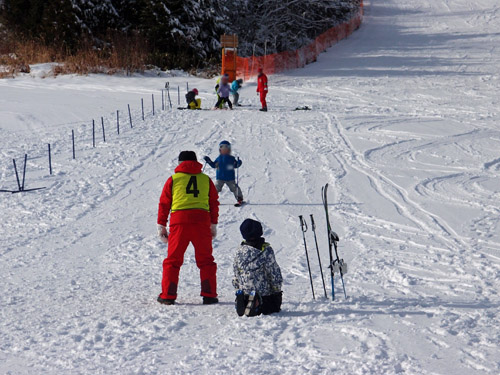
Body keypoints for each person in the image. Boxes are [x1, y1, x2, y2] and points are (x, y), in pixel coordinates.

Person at [157, 151, 220, 305]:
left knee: (173, 260)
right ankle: (209, 294)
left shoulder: (173, 179)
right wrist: (213, 224)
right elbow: (213, 203)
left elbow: (164, 204)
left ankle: (168, 296)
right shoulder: (206, 179)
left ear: (180, 162)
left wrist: (161, 226)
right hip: (202, 222)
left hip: (179, 222)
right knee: (206, 260)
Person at [233, 219, 283, 317]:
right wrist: (277, 290)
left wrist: (237, 287)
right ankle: (257, 303)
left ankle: (243, 300)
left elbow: (236, 272)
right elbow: (273, 272)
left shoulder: (239, 251)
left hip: (245, 290)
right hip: (264, 294)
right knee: (273, 305)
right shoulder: (266, 250)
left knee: (245, 281)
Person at [203, 140, 243, 205]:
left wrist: (239, 163)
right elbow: (214, 165)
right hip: (220, 178)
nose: (224, 150)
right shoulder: (218, 158)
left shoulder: (231, 158)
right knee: (215, 189)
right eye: (222, 149)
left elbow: (235, 165)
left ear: (229, 150)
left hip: (230, 178)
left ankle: (239, 199)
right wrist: (209, 161)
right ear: (220, 150)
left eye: (226, 149)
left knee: (235, 188)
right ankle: (210, 200)